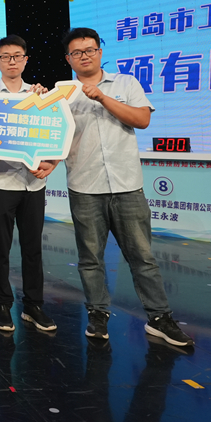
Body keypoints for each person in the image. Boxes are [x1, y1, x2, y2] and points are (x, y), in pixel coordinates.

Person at [61, 28, 193, 346]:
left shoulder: (126, 83)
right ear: (68, 59)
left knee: (142, 257)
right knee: (90, 259)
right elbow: (54, 138)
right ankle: (97, 315)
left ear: (100, 52)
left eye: (89, 50)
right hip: (84, 185)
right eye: (77, 52)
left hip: (127, 185)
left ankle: (159, 318)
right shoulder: (62, 94)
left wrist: (102, 97)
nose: (84, 56)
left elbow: (142, 120)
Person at [0, 35, 58, 332]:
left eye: (17, 56)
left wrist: (51, 161)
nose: (12, 61)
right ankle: (2, 305)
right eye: (5, 57)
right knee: (0, 250)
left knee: (33, 249)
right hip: (1, 182)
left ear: (25, 59)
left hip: (33, 183)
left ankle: (33, 305)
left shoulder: (39, 94)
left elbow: (52, 131)